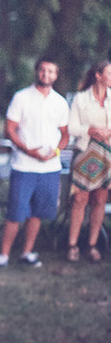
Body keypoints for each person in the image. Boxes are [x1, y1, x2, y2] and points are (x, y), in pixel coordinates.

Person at [0, 57, 69, 269]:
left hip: (50, 168)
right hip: (24, 166)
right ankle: (4, 255)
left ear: (56, 75)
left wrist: (55, 152)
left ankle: (27, 252)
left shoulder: (60, 102)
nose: (46, 74)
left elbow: (65, 135)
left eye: (51, 71)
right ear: (37, 72)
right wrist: (28, 150)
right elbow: (9, 129)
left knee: (37, 213)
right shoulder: (21, 97)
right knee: (15, 213)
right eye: (43, 70)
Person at [67, 59, 111, 262]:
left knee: (100, 200)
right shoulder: (81, 99)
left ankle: (92, 244)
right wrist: (91, 130)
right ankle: (72, 244)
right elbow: (72, 128)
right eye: (109, 73)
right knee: (80, 199)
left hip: (107, 155)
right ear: (98, 76)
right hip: (85, 152)